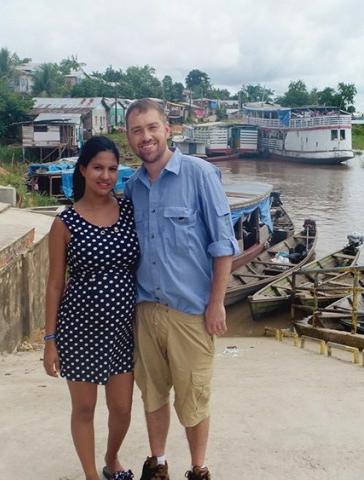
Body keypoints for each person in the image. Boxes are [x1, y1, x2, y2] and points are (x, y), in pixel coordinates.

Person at [124, 99, 240, 480]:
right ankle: (157, 464)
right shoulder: (133, 187)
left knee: (194, 399)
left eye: (152, 127)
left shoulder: (200, 175)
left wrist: (217, 303)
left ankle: (198, 468)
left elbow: (223, 245)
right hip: (146, 312)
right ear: (129, 137)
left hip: (190, 312)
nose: (146, 137)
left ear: (168, 130)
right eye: (137, 130)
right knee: (153, 394)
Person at [43, 136, 139, 480]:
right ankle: (91, 475)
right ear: (82, 169)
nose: (106, 176)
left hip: (122, 331)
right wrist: (49, 340)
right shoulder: (65, 223)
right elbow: (55, 283)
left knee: (123, 409)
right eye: (98, 167)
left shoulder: (129, 210)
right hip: (78, 330)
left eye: (113, 169)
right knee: (84, 408)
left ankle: (111, 458)